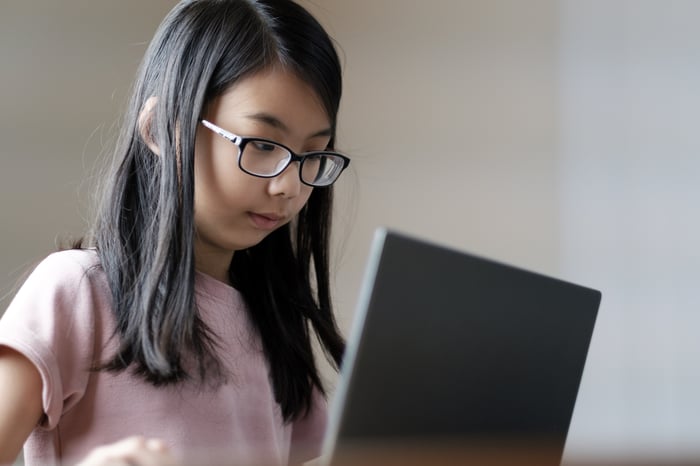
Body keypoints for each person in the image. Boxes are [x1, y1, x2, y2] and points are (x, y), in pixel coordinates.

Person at [0, 0, 350, 464]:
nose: (288, 186)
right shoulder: (77, 291)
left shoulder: (274, 322)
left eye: (312, 154)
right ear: (161, 128)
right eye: (263, 145)